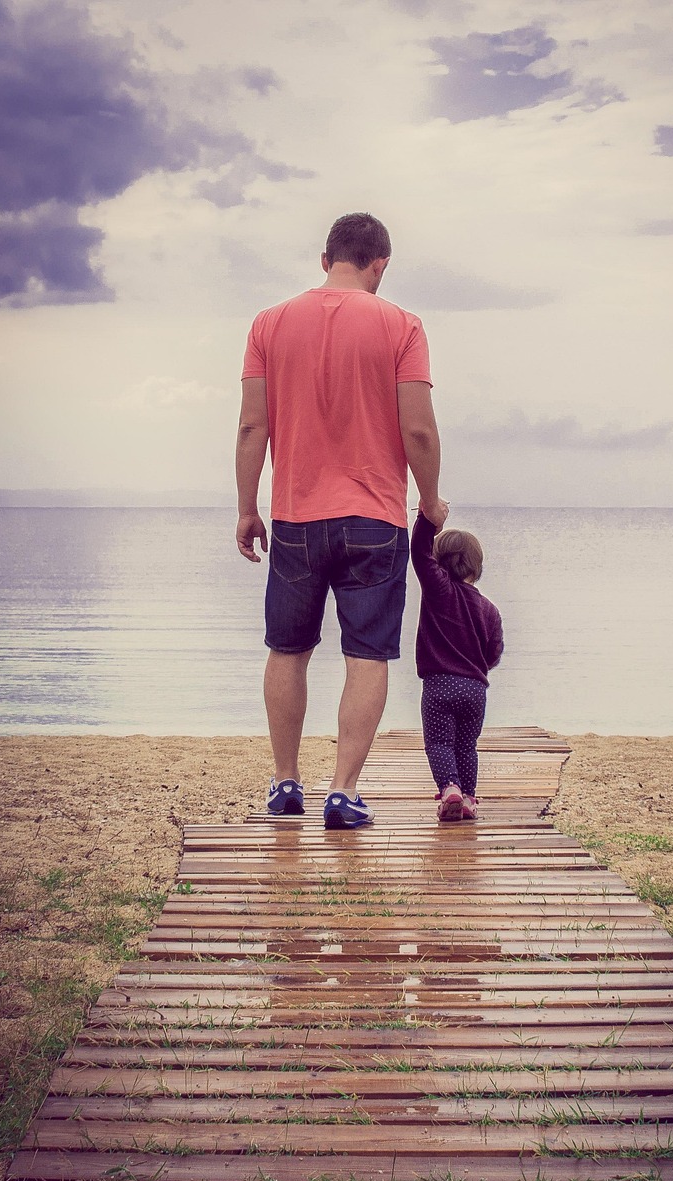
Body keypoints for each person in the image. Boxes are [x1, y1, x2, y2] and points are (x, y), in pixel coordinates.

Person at [235, 212, 449, 828]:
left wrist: (249, 507)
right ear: (378, 263)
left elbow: (253, 424)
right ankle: (343, 792)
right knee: (367, 656)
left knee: (287, 650)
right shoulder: (402, 324)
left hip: (296, 516)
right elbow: (418, 428)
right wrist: (430, 500)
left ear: (326, 258)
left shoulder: (269, 324)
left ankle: (283, 785)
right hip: (375, 517)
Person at [410, 512, 504, 821]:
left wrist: (428, 517)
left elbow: (418, 552)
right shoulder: (490, 609)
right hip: (476, 689)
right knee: (466, 745)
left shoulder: (440, 591)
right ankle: (468, 799)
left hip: (439, 685)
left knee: (439, 743)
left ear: (439, 564)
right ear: (477, 568)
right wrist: (478, 669)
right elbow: (494, 652)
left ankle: (449, 787)